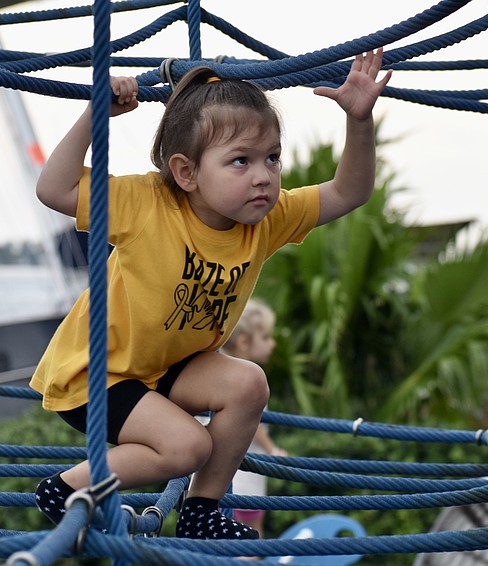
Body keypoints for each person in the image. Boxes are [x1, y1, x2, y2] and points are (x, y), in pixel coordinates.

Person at [30, 48, 392, 540]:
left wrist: (359, 120)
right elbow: (54, 189)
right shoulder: (146, 204)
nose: (263, 175)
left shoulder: (265, 218)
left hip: (166, 367)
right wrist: (96, 113)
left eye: (272, 158)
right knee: (186, 448)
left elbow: (349, 192)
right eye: (240, 161)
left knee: (247, 385)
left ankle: (200, 512)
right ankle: (65, 487)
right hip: (99, 373)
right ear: (186, 172)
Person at [219, 298, 286, 539]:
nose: (273, 343)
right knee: (252, 540)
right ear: (244, 342)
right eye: (267, 337)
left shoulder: (220, 370)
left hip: (224, 472)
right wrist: (273, 450)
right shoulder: (248, 378)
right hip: (243, 472)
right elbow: (251, 421)